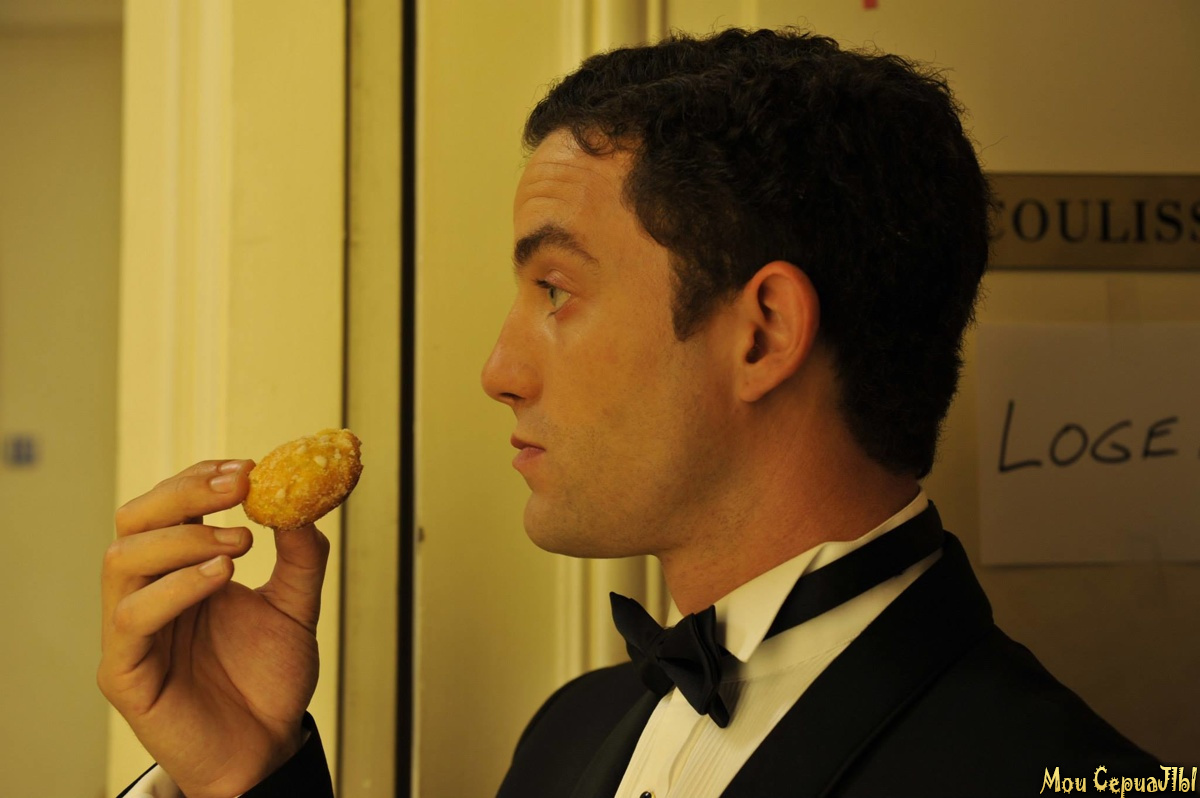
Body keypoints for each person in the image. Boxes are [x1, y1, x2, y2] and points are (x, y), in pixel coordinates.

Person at [102, 28, 1160, 798]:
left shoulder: (1058, 775)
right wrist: (246, 774)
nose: (498, 371)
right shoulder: (568, 738)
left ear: (762, 333)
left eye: (555, 290)